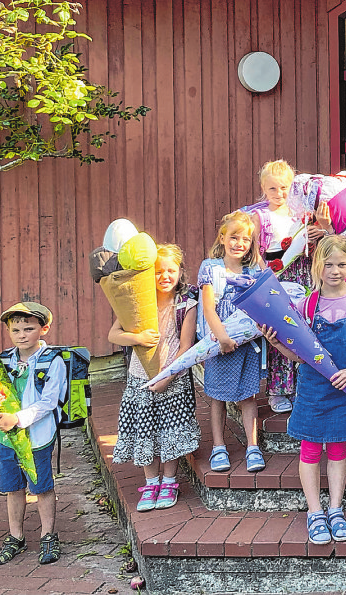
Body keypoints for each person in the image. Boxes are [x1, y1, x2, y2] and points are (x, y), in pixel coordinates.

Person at [264, 235, 346, 544]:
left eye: (341, 264)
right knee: (311, 448)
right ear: (317, 265)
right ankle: (314, 511)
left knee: (339, 448)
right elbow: (301, 355)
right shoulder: (307, 305)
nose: (335, 271)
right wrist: (276, 342)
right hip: (313, 388)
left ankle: (335, 508)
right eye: (328, 264)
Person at [110, 244, 201, 512]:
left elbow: (186, 346)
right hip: (140, 377)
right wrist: (136, 338)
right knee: (145, 430)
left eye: (171, 270)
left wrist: (168, 376)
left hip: (173, 378)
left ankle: (170, 480)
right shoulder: (137, 305)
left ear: (180, 272)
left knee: (171, 431)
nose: (165, 276)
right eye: (158, 271)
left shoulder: (187, 305)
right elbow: (113, 334)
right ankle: (151, 482)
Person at [0, 301, 66, 566]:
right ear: (8, 331)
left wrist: (19, 418)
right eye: (15, 330)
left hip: (37, 437)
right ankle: (16, 536)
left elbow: (49, 401)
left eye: (29, 328)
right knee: (13, 488)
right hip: (7, 439)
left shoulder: (53, 361)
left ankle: (48, 534)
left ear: (44, 328)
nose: (22, 335)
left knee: (41, 487)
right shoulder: (3, 360)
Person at [243, 159, 326, 414]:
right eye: (273, 189)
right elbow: (255, 251)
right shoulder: (260, 216)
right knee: (280, 332)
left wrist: (317, 233)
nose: (280, 194)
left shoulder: (302, 214)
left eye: (285, 188)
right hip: (276, 276)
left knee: (304, 328)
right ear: (262, 188)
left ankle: (304, 383)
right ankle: (279, 389)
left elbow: (314, 246)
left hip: (303, 274)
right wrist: (265, 278)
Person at [198, 211, 266, 475]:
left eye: (246, 240)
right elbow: (209, 308)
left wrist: (258, 250)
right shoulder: (211, 267)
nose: (239, 243)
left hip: (247, 342)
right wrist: (223, 338)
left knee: (248, 395)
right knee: (217, 396)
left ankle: (252, 445)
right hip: (220, 340)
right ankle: (218, 446)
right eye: (234, 237)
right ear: (222, 237)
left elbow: (264, 296)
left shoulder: (252, 269)